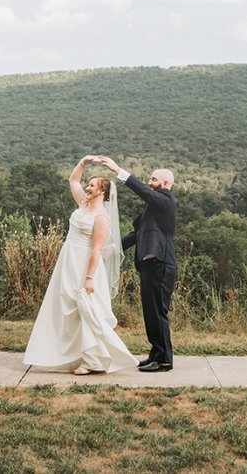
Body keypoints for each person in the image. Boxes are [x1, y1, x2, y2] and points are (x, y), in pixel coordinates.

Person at [22, 155, 137, 375]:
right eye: (89, 184)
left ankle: (91, 361)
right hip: (68, 262)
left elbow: (96, 250)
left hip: (86, 267)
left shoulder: (102, 217)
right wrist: (83, 161)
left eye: (92, 185)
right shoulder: (82, 204)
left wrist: (89, 278)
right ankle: (67, 355)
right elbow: (73, 181)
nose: (87, 187)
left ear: (102, 192)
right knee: (66, 306)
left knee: (86, 309)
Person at [96, 156, 176, 372]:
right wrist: (113, 248)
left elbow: (143, 191)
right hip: (149, 264)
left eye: (154, 179)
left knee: (158, 311)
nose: (150, 182)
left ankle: (165, 360)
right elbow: (137, 234)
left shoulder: (166, 200)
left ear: (165, 184)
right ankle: (156, 353)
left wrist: (117, 170)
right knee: (150, 311)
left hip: (161, 263)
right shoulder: (154, 207)